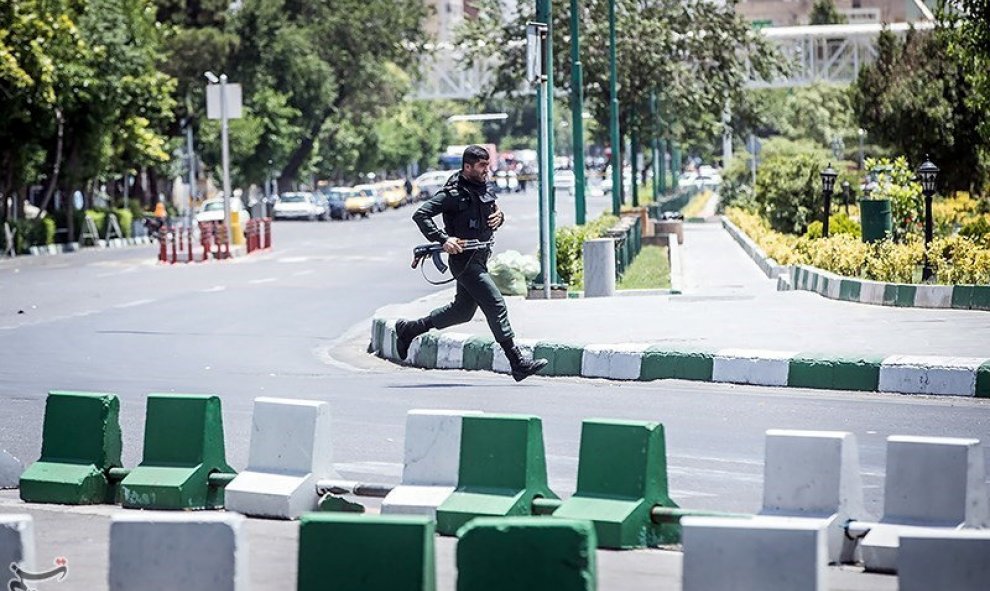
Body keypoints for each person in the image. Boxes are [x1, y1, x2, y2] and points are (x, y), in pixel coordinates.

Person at [395, 145, 548, 382]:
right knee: (496, 303)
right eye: (481, 166)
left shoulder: (484, 186)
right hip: (464, 261)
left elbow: (491, 212)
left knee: (462, 312)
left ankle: (409, 329)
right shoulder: (452, 194)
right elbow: (421, 215)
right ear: (467, 167)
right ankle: (517, 362)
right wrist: (444, 239)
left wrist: (500, 217)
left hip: (481, 257)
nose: (487, 170)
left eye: (487, 165)